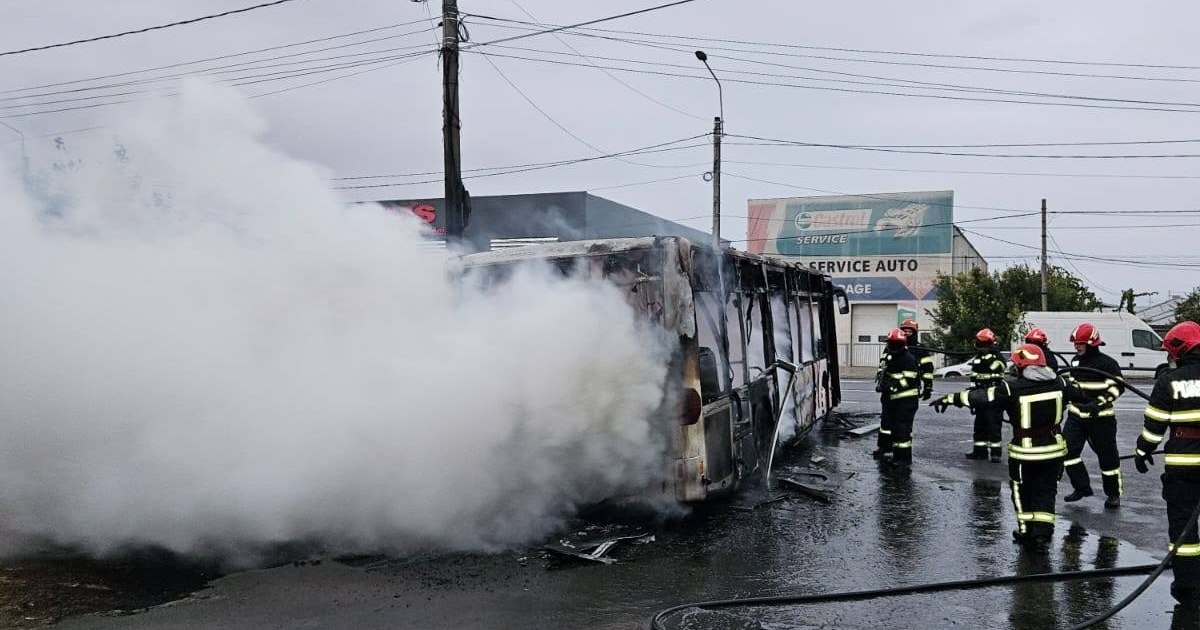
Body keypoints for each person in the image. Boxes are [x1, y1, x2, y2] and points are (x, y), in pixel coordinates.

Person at [932, 344, 1068, 546]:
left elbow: (981, 397)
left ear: (1021, 367)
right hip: (1053, 453)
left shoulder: (1011, 388)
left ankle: (1026, 532)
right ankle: (1042, 536)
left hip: (1025, 454)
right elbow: (1083, 396)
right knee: (1046, 492)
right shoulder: (1061, 383)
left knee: (1021, 491)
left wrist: (950, 398)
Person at [1131, 320, 1200, 608]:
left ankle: (1188, 585)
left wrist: (1142, 451)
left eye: (1170, 352)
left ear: (1180, 351)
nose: (1169, 357)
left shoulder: (1169, 381)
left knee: (1184, 527)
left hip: (1184, 466)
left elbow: (1154, 427)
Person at [1061, 322, 1125, 508]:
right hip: (1076, 416)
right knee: (1067, 451)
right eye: (1075, 343)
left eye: (1080, 343)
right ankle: (1081, 487)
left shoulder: (1107, 363)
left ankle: (1113, 494)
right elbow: (1073, 384)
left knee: (1107, 457)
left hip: (1101, 418)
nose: (1076, 346)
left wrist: (1099, 403)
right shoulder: (1075, 361)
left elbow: (1117, 388)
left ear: (1091, 343)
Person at [872, 328, 920, 469]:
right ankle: (887, 449)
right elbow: (884, 371)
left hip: (905, 402)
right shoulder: (890, 356)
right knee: (887, 425)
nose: (892, 346)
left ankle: (903, 459)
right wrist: (882, 383)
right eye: (891, 343)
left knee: (902, 430)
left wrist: (892, 386)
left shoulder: (908, 358)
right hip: (890, 399)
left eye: (895, 343)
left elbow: (910, 380)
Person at [966, 328, 1007, 462]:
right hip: (980, 396)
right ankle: (979, 452)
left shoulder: (997, 356)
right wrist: (972, 394)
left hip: (994, 396)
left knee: (994, 426)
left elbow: (997, 367)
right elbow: (974, 376)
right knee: (979, 426)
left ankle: (996, 454)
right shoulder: (977, 358)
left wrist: (989, 354)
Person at [899, 318, 935, 402]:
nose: (907, 334)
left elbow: (928, 369)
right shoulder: (894, 346)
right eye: (905, 331)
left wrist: (928, 387)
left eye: (910, 332)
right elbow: (884, 364)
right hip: (893, 386)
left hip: (912, 386)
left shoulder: (920, 349)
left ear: (914, 333)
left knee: (909, 408)